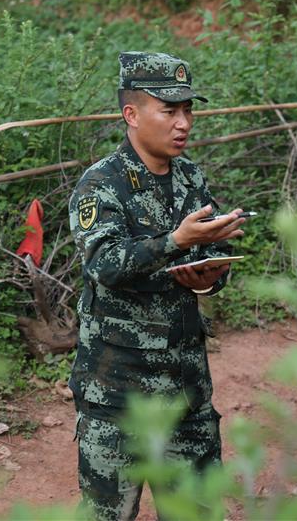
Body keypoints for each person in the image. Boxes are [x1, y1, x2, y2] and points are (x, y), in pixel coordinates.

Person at [68, 51, 245, 520]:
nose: (183, 122)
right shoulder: (101, 185)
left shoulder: (190, 177)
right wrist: (173, 241)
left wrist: (210, 275)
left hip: (186, 389)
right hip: (117, 394)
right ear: (131, 114)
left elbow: (205, 258)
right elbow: (103, 263)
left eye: (188, 110)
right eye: (169, 111)